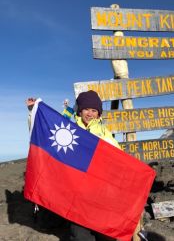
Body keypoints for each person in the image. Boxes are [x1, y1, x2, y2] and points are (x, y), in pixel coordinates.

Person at [26, 90, 119, 241]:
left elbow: (119, 160)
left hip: (100, 194)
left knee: (107, 235)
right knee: (80, 236)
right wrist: (33, 112)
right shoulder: (69, 129)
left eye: (94, 110)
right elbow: (44, 133)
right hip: (77, 195)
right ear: (80, 111)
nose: (90, 113)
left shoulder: (105, 134)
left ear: (99, 113)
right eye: (86, 109)